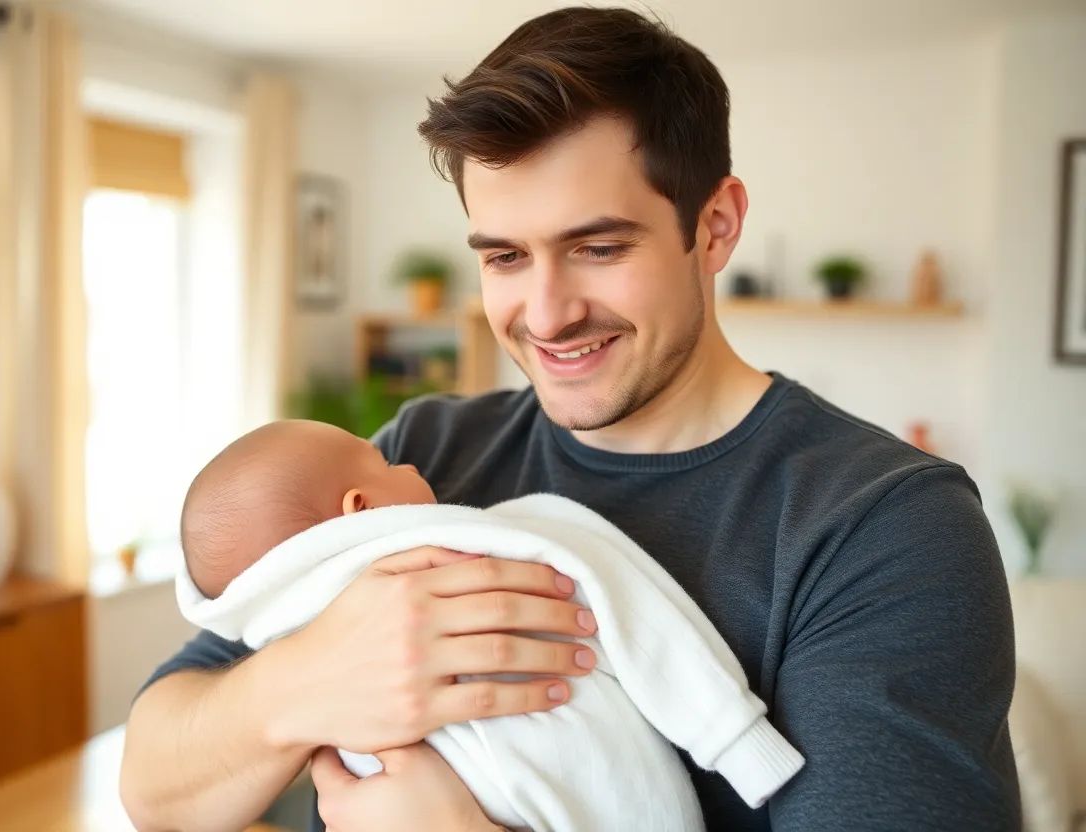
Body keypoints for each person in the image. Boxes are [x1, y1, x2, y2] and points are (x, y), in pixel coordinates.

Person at [121, 7, 1020, 831]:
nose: (546, 315)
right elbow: (157, 784)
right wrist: (308, 680)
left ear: (714, 227)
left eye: (597, 248)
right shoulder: (416, 460)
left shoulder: (885, 529)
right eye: (506, 256)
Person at [174, 418, 803, 831]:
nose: (414, 467)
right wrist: (736, 739)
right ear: (359, 507)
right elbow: (633, 607)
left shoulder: (275, 615)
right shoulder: (481, 532)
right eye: (385, 462)